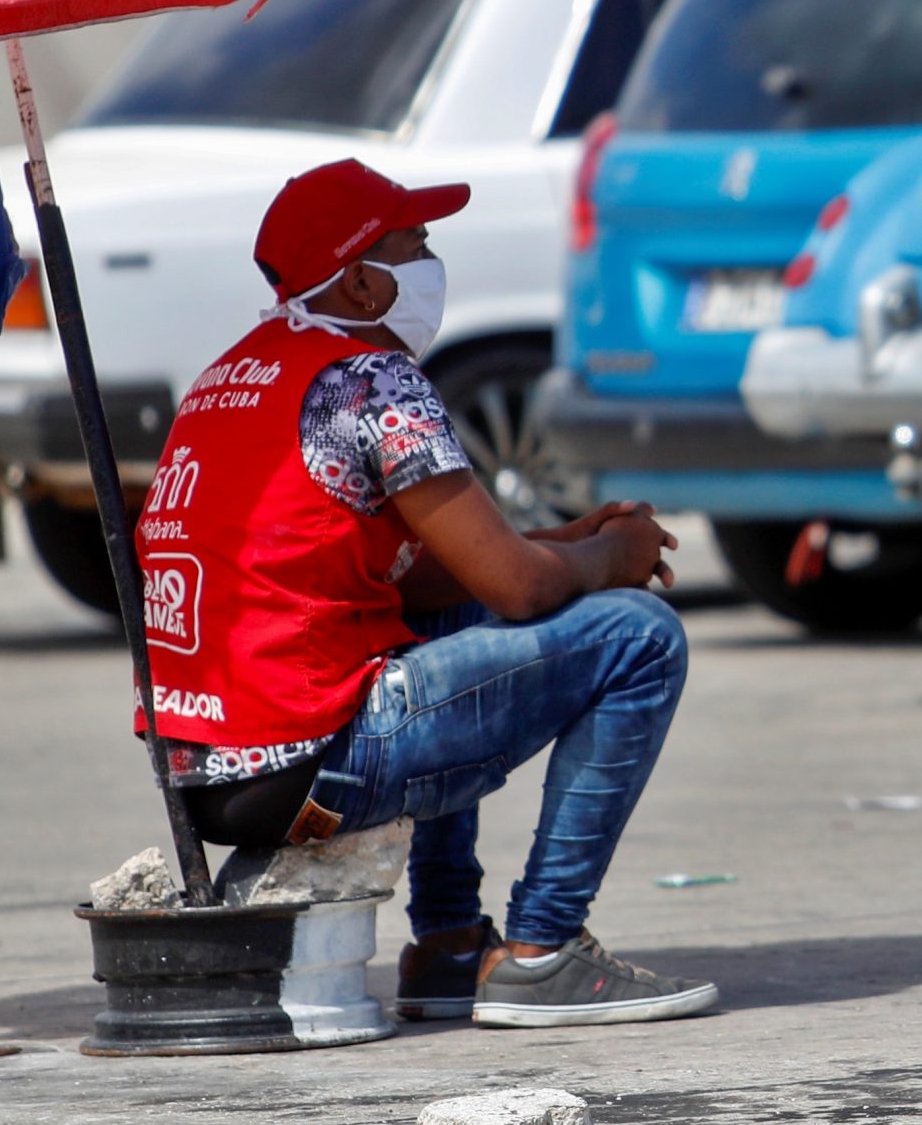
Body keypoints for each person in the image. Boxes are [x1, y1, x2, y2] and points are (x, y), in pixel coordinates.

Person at [133, 158, 716, 1029]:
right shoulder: (371, 381)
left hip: (206, 773)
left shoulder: (229, 377)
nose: (432, 262)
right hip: (310, 754)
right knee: (638, 636)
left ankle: (446, 949)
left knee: (443, 611)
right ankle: (545, 953)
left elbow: (448, 571)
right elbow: (519, 591)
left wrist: (568, 541)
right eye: (418, 245)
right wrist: (610, 558)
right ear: (366, 283)